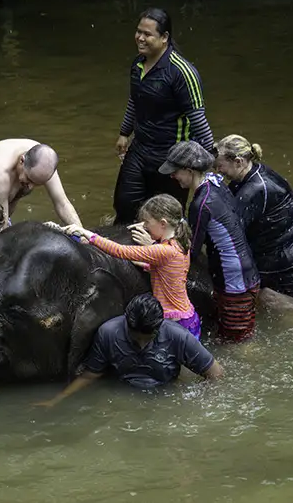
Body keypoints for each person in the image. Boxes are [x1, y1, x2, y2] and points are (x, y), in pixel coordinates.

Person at [113, 7, 215, 226]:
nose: (140, 38)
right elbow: (135, 101)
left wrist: (207, 166)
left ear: (164, 37)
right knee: (124, 206)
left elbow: (199, 121)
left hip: (171, 157)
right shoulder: (138, 64)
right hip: (139, 149)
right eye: (138, 31)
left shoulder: (182, 72)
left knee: (166, 220)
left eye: (147, 34)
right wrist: (124, 133)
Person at [34, 294, 223, 407]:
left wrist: (196, 404)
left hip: (164, 395)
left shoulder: (177, 336)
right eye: (135, 337)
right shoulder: (108, 333)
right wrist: (58, 399)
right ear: (126, 322)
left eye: (147, 338)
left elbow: (216, 374)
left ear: (158, 327)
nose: (141, 343)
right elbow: (91, 374)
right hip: (124, 396)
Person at [215, 134, 293, 311]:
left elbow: (229, 233)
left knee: (287, 321)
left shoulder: (254, 190)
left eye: (220, 165)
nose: (218, 171)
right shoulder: (253, 173)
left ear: (238, 162)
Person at [158, 140, 261, 342]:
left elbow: (191, 249)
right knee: (237, 333)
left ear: (189, 170)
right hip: (247, 272)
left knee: (236, 342)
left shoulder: (201, 203)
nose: (172, 176)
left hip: (234, 283)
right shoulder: (215, 182)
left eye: (175, 172)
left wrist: (153, 245)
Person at [0, 138, 83, 289]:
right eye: (29, 179)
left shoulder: (44, 162)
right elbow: (1, 231)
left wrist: (83, 236)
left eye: (38, 184)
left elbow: (62, 203)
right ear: (21, 161)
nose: (31, 186)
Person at [62, 194, 201, 338]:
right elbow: (169, 271)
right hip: (186, 316)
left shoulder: (163, 250)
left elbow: (120, 251)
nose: (145, 226)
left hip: (173, 321)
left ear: (163, 223)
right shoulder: (180, 243)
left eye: (147, 222)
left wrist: (89, 235)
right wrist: (147, 265)